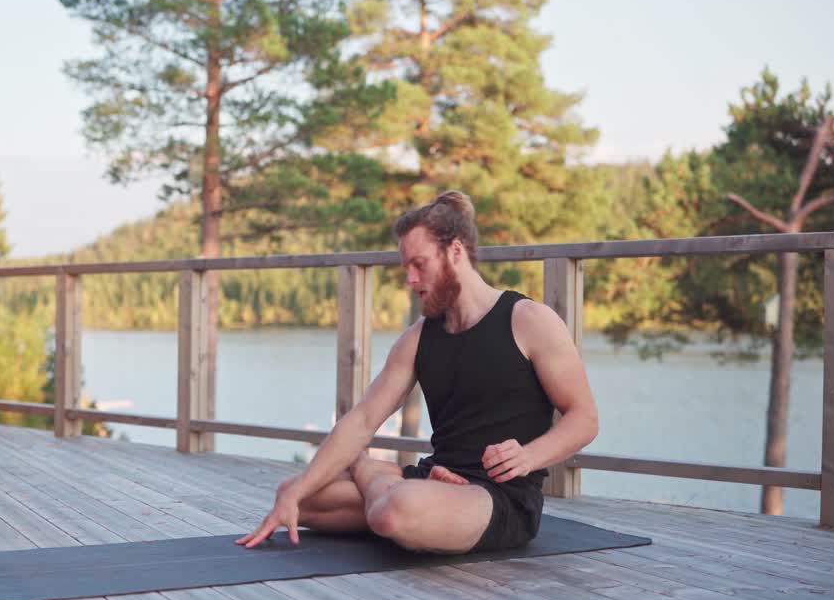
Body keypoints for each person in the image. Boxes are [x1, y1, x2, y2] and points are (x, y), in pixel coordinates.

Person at [236, 190, 599, 554]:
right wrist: (298, 492)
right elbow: (362, 420)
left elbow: (584, 418)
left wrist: (529, 457)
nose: (410, 279)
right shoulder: (418, 339)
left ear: (455, 252)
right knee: (293, 494)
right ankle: (392, 489)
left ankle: (372, 476)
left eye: (419, 264)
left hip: (497, 497)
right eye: (406, 267)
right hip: (433, 479)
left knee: (397, 509)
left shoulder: (529, 320)